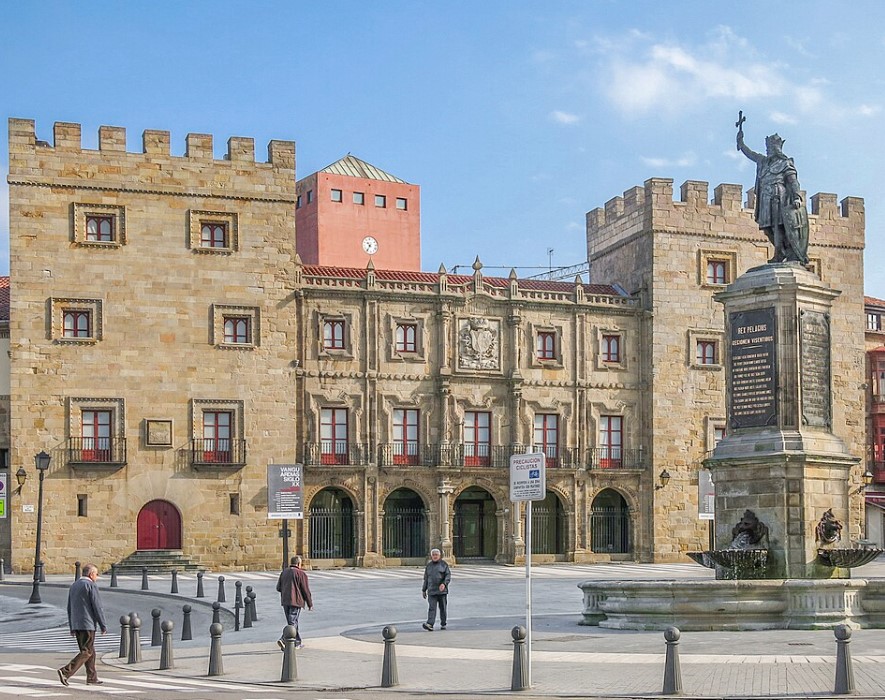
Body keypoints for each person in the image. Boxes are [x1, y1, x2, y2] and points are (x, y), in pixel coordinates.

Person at [735, 111, 809, 265]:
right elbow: (750, 154)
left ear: (777, 148)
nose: (768, 150)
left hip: (778, 196)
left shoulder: (785, 163)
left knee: (778, 226)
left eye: (771, 147)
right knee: (767, 228)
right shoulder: (763, 162)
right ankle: (780, 250)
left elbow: (793, 182)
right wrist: (741, 143)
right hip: (765, 198)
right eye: (767, 147)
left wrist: (796, 197)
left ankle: (780, 254)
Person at [58, 563, 107, 686]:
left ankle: (92, 677)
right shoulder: (90, 585)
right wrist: (102, 624)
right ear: (91, 574)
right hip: (87, 623)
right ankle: (65, 671)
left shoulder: (74, 585)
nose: (96, 577)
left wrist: (72, 626)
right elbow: (97, 606)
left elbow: (69, 606)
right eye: (96, 574)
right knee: (87, 651)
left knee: (90, 651)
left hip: (77, 623)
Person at [276, 555, 313, 649]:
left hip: (285, 600)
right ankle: (283, 639)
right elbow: (305, 590)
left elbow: (278, 588)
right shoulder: (301, 574)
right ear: (299, 563)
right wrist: (310, 603)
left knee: (292, 621)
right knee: (292, 622)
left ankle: (297, 642)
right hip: (296, 601)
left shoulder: (284, 572)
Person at [422, 548, 451, 631]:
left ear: (439, 556)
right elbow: (426, 579)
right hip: (432, 591)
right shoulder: (429, 566)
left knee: (443, 608)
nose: (435, 556)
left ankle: (443, 623)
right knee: (432, 608)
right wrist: (424, 590)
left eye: (436, 555)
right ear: (431, 556)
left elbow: (448, 576)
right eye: (433, 555)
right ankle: (430, 624)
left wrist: (444, 584)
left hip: (442, 591)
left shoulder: (444, 565)